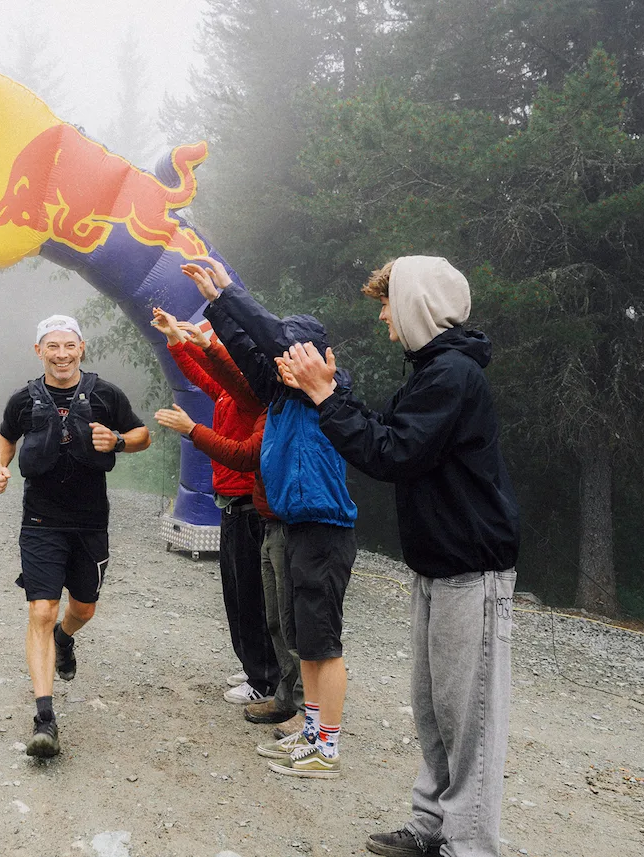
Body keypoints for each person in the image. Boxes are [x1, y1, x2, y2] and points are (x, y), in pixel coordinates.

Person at [279, 256, 519, 856]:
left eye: (389, 302)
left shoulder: (453, 376)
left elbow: (392, 454)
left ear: (416, 304)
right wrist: (331, 398)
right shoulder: (432, 373)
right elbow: (385, 434)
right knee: (433, 710)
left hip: (472, 571)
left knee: (468, 722)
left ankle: (468, 846)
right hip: (438, 568)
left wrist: (326, 394)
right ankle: (431, 826)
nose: (384, 315)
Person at [184, 257, 357, 780]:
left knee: (322, 643)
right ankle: (310, 731)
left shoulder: (328, 390)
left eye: (290, 353)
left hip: (323, 528)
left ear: (316, 356)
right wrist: (216, 306)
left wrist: (230, 291)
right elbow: (250, 352)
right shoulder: (281, 392)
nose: (281, 362)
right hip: (292, 525)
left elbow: (267, 334)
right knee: (301, 637)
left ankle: (326, 745)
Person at [0, 314, 150, 758]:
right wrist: (0, 467)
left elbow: (142, 435)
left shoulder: (105, 394)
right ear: (38, 351)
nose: (61, 354)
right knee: (41, 609)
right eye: (52, 346)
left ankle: (66, 637)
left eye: (68, 345)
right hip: (40, 522)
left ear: (82, 348)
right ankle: (45, 719)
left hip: (90, 523)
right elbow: (5, 438)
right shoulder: (24, 399)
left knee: (84, 607)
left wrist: (116, 441)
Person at [151, 314, 305, 730]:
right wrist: (175, 342)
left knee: (254, 599)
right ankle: (254, 667)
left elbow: (239, 451)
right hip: (231, 504)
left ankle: (264, 679)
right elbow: (203, 375)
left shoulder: (253, 394)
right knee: (237, 596)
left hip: (250, 505)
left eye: (215, 339)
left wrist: (192, 428)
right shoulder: (227, 393)